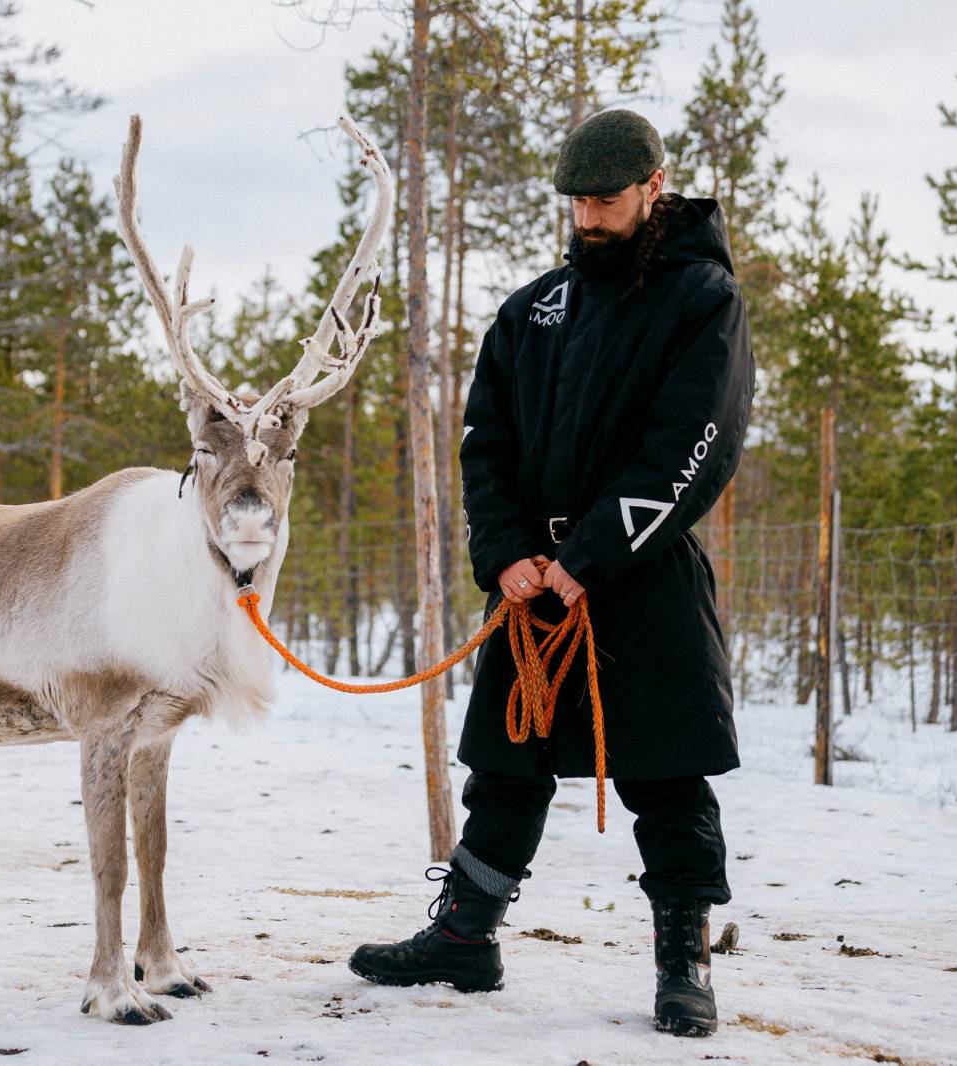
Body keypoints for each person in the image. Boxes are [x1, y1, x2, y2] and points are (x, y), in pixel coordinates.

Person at [348, 108, 755, 1038]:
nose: (588, 220)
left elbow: (695, 446)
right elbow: (485, 445)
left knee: (668, 774)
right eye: (576, 204)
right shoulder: (532, 310)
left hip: (641, 573)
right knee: (504, 764)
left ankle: (684, 961)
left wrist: (591, 557)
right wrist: (508, 556)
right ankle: (464, 936)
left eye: (606, 203)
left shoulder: (701, 300)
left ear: (655, 187)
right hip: (533, 580)